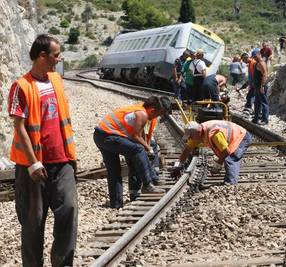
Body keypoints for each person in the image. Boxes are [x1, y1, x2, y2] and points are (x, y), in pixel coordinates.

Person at [7, 34, 77, 266]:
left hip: (62, 159)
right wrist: (33, 163)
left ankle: (62, 262)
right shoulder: (21, 86)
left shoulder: (56, 79)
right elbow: (19, 127)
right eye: (56, 55)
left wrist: (71, 156)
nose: (59, 59)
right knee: (33, 222)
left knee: (68, 209)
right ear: (42, 55)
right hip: (33, 165)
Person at [93, 96, 172, 208]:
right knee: (138, 150)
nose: (156, 117)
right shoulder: (143, 114)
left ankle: (116, 204)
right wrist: (148, 148)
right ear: (152, 110)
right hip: (108, 136)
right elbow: (135, 136)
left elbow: (139, 134)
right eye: (157, 114)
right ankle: (147, 185)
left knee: (114, 170)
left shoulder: (138, 110)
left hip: (100, 135)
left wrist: (146, 145)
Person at [172, 120, 252, 185]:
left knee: (231, 158)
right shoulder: (196, 134)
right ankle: (230, 182)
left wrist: (217, 164)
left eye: (190, 136)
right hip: (233, 137)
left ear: (197, 132)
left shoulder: (214, 134)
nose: (189, 138)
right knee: (226, 157)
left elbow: (226, 152)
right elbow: (187, 150)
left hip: (241, 137)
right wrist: (178, 164)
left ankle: (231, 185)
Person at [251, 48, 269, 125]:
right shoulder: (257, 63)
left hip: (261, 86)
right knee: (257, 102)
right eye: (253, 57)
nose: (254, 58)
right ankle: (256, 118)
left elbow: (264, 75)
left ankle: (265, 120)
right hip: (257, 86)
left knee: (264, 103)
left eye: (255, 56)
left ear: (259, 54)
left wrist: (262, 86)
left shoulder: (261, 63)